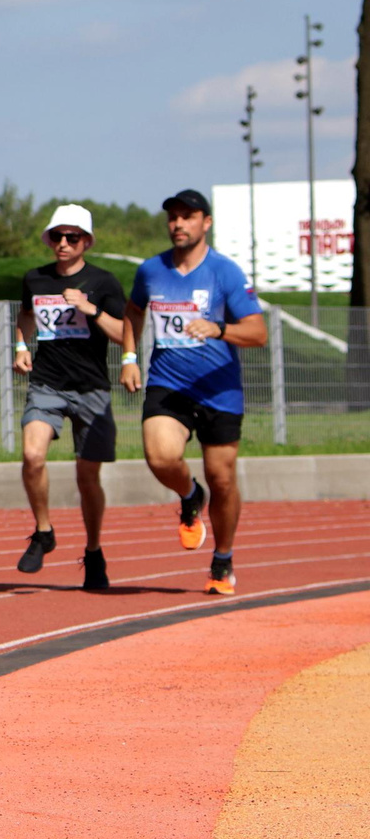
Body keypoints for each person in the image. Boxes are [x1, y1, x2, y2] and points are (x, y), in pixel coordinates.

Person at [127, 189, 266, 595]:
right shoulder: (151, 271)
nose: (178, 224)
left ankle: (222, 559)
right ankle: (190, 495)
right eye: (173, 217)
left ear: (206, 223)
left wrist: (219, 328)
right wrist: (129, 357)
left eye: (188, 216)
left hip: (219, 390)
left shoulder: (225, 272)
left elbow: (257, 333)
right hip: (169, 383)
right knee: (159, 455)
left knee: (223, 480)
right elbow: (133, 312)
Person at [12, 204, 133, 590]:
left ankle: (94, 551)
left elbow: (123, 331)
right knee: (32, 455)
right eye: (57, 237)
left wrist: (90, 308)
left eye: (72, 237)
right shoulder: (35, 279)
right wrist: (20, 345)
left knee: (87, 477)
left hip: (91, 388)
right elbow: (26, 316)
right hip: (47, 383)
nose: (63, 244)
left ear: (87, 242)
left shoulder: (104, 282)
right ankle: (44, 530)